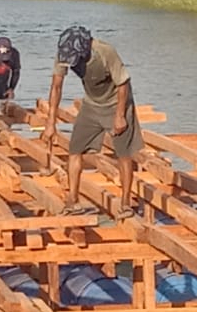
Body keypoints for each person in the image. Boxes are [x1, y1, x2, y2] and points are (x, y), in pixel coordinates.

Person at [45, 26, 141, 218]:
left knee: (123, 154)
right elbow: (56, 87)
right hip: (91, 104)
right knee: (74, 150)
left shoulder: (105, 52)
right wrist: (50, 122)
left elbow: (123, 84)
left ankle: (125, 204)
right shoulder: (64, 53)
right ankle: (73, 201)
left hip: (116, 103)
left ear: (84, 48)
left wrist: (120, 115)